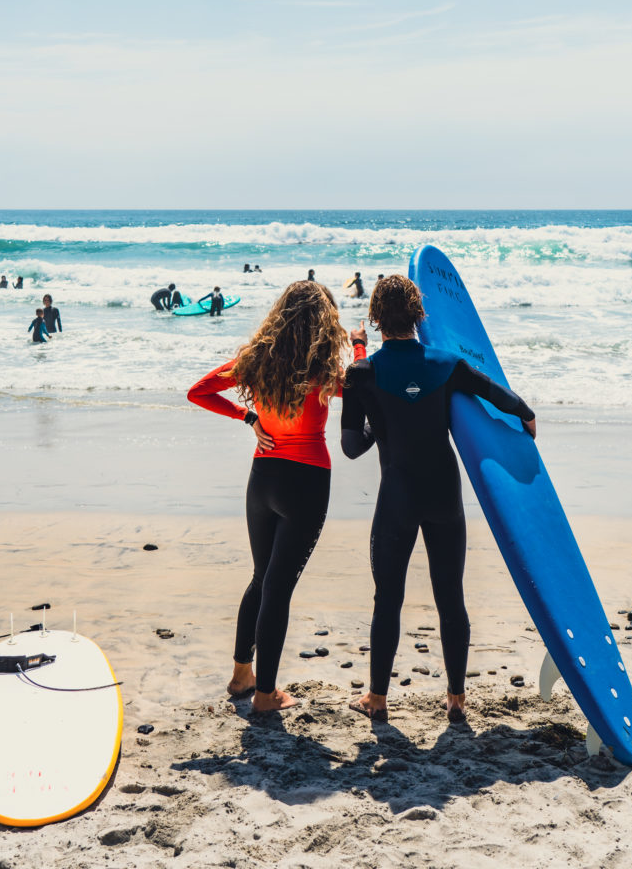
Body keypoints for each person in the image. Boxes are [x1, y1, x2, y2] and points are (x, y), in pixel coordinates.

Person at [340, 275, 536, 724]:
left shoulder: (362, 373)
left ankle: (377, 699)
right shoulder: (448, 364)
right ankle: (456, 699)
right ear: (419, 316)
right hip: (444, 493)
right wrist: (526, 414)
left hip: (397, 496)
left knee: (388, 597)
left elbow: (352, 445)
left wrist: (379, 415)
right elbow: (496, 393)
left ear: (374, 317)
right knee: (451, 596)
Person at [187, 281, 366, 713]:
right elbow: (364, 385)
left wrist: (248, 416)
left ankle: (240, 676)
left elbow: (199, 391)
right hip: (306, 482)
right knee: (277, 588)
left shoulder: (256, 361)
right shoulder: (322, 368)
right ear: (324, 321)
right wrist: (359, 347)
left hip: (262, 477)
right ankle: (266, 695)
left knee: (261, 577)